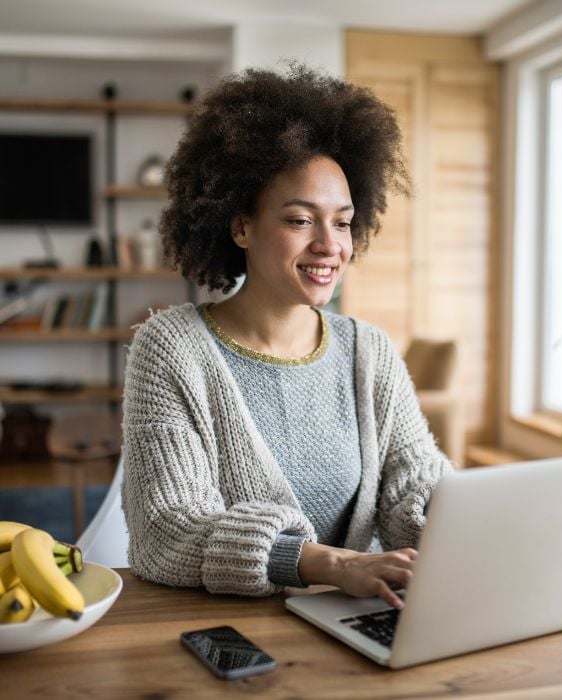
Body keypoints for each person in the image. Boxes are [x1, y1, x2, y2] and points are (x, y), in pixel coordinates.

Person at [121, 65, 454, 610]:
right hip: (233, 634)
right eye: (301, 220)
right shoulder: (170, 349)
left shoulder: (369, 351)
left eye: (343, 223)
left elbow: (413, 484)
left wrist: (456, 519)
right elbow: (167, 530)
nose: (330, 245)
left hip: (360, 619)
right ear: (241, 227)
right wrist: (330, 564)